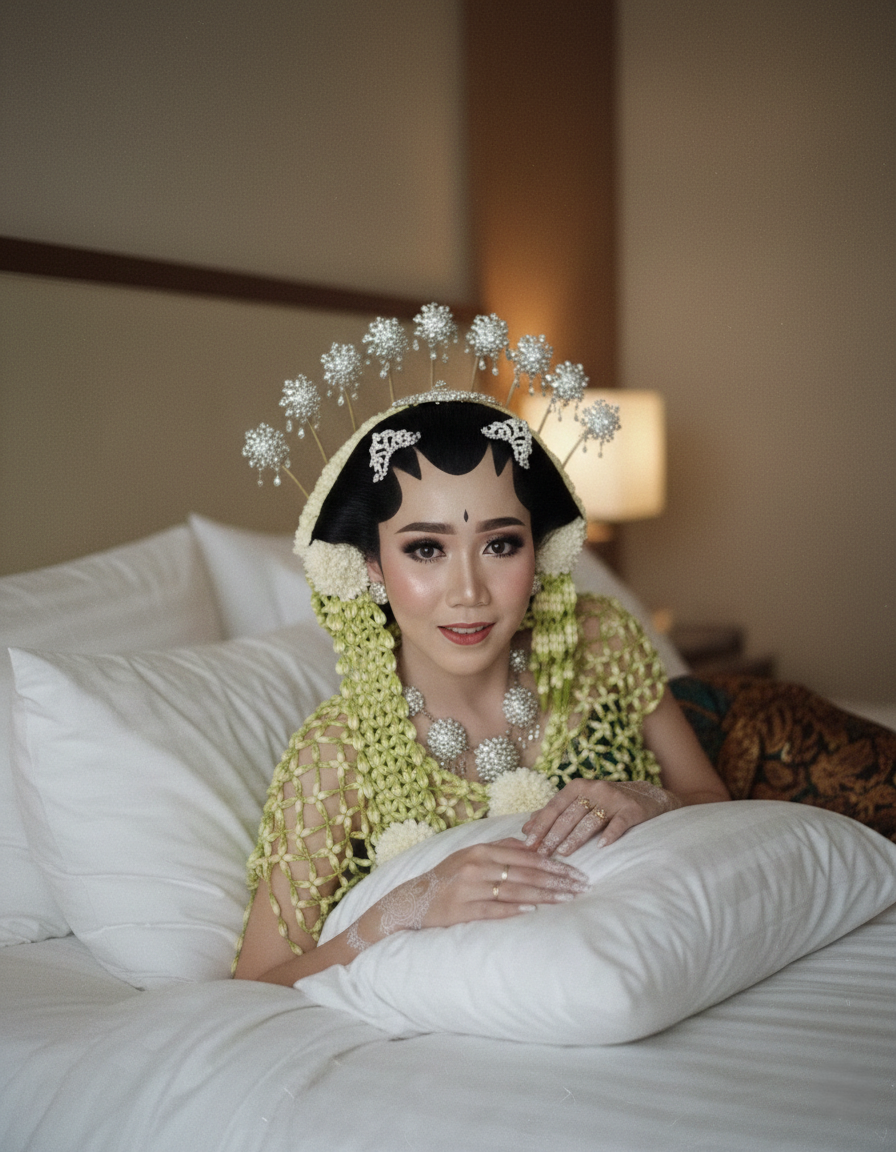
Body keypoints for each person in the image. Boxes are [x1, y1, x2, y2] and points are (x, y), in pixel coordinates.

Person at [234, 348, 729, 987]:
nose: (469, 591)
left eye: (499, 544)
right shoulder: (337, 758)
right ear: (372, 566)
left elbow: (713, 802)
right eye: (426, 549)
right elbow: (257, 984)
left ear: (538, 550)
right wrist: (407, 907)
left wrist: (650, 797)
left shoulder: (601, 643)